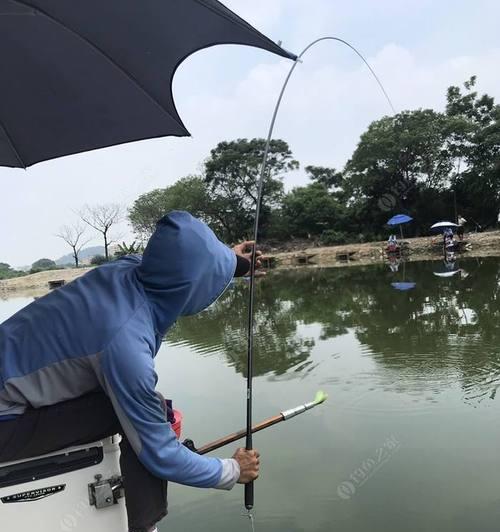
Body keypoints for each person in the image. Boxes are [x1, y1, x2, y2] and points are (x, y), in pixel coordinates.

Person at [0, 211, 261, 532]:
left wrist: (233, 263)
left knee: (149, 409)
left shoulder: (128, 268)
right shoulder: (125, 344)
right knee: (146, 421)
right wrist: (233, 470)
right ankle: (144, 526)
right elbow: (160, 454)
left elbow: (181, 265)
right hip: (4, 422)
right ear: (194, 288)